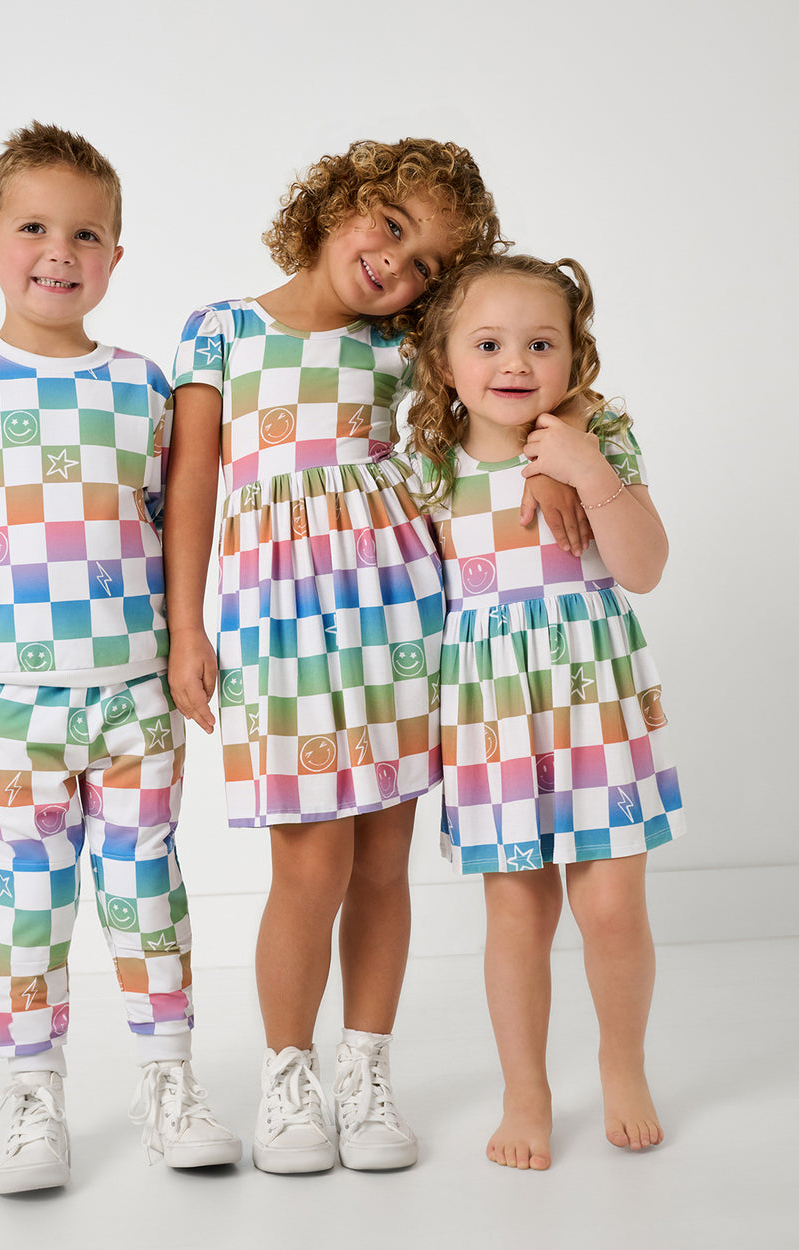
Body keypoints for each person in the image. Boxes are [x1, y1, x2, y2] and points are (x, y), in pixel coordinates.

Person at [164, 140, 583, 1173]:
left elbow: (523, 372)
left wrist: (572, 435)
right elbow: (193, 487)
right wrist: (186, 626)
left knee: (385, 862)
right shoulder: (220, 330)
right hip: (279, 625)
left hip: (403, 615)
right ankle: (288, 1073)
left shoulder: (410, 349)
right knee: (310, 861)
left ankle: (366, 1066)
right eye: (390, 229)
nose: (398, 267)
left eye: (429, 265)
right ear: (337, 204)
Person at [0, 121, 240, 1194]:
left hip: (135, 696)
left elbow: (169, 519)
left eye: (85, 232)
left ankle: (167, 1079)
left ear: (115, 258)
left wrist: (156, 637)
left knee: (148, 888)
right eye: (34, 226)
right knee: (28, 897)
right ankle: (30, 1093)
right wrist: (0, 621)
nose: (59, 249)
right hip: (13, 705)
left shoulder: (143, 387)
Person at [408, 252, 686, 1170]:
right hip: (494, 716)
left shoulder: (600, 441)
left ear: (575, 358)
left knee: (611, 910)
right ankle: (524, 1087)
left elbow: (642, 567)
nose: (515, 362)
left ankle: (622, 1062)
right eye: (488, 344)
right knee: (518, 916)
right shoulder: (429, 470)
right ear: (446, 363)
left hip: (595, 704)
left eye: (541, 342)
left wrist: (579, 460)